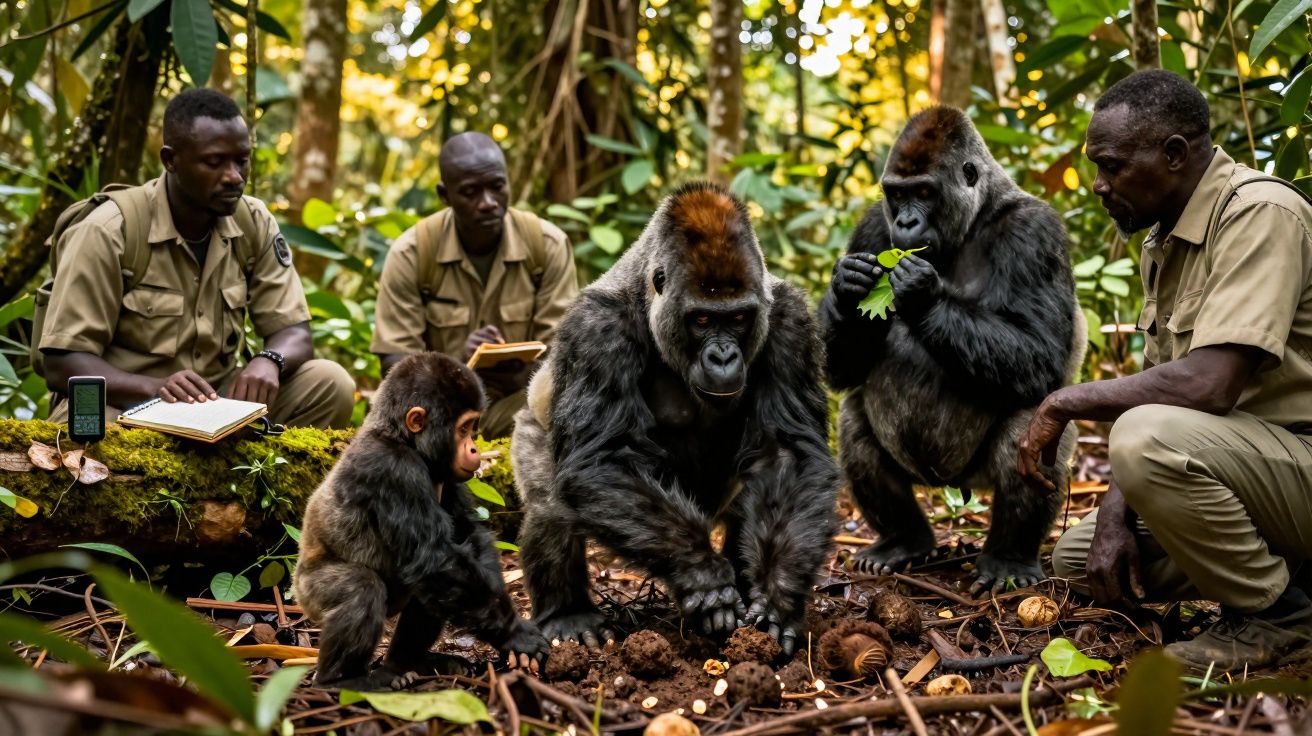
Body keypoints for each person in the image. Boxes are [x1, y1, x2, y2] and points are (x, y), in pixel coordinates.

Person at [1017, 70, 1312, 671]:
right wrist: (1114, 514)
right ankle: (1294, 574)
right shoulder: (1164, 242)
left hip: (1297, 460)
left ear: (1174, 154)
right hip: (1247, 470)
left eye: (1112, 166)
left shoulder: (1261, 213)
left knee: (1144, 435)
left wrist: (1062, 401)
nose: (1099, 185)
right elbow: (1164, 395)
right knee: (1079, 560)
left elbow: (1208, 385)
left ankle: (1281, 617)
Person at [39, 89, 355, 429]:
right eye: (214, 162)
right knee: (86, 422)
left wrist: (269, 361)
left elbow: (294, 332)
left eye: (242, 160)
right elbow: (61, 363)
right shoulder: (109, 230)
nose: (234, 176)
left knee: (330, 384)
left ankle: (246, 459)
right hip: (124, 403)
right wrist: (156, 390)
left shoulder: (252, 222)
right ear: (170, 160)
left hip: (215, 401)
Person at [371, 132, 578, 438]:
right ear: (445, 195)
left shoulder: (546, 245)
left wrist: (521, 372)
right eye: (470, 192)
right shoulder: (412, 254)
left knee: (577, 406)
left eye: (497, 187)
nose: (488, 203)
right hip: (438, 415)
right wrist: (457, 368)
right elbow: (394, 362)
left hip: (516, 405)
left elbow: (564, 351)